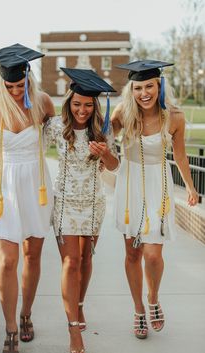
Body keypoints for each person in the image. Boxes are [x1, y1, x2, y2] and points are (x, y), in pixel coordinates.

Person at [0, 43, 55, 353]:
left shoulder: (43, 103)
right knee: (8, 260)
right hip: (5, 187)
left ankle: (26, 315)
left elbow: (59, 135)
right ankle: (9, 328)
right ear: (1, 82)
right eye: (10, 86)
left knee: (32, 256)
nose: (16, 91)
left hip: (36, 185)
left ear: (28, 78)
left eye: (20, 85)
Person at [111, 60, 199, 339]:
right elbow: (102, 136)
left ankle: (153, 298)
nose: (144, 93)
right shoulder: (124, 112)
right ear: (131, 89)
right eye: (138, 88)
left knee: (152, 254)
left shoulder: (174, 117)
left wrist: (190, 187)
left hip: (158, 185)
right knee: (132, 253)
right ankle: (138, 310)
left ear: (159, 86)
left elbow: (181, 156)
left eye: (149, 86)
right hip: (129, 184)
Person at [44, 68, 119, 353]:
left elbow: (114, 166)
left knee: (86, 260)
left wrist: (105, 154)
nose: (82, 110)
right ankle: (73, 329)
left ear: (95, 105)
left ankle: (79, 305)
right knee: (71, 263)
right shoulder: (54, 126)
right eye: (77, 104)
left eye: (88, 104)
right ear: (69, 102)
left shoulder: (104, 128)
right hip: (64, 202)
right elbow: (33, 149)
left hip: (93, 203)